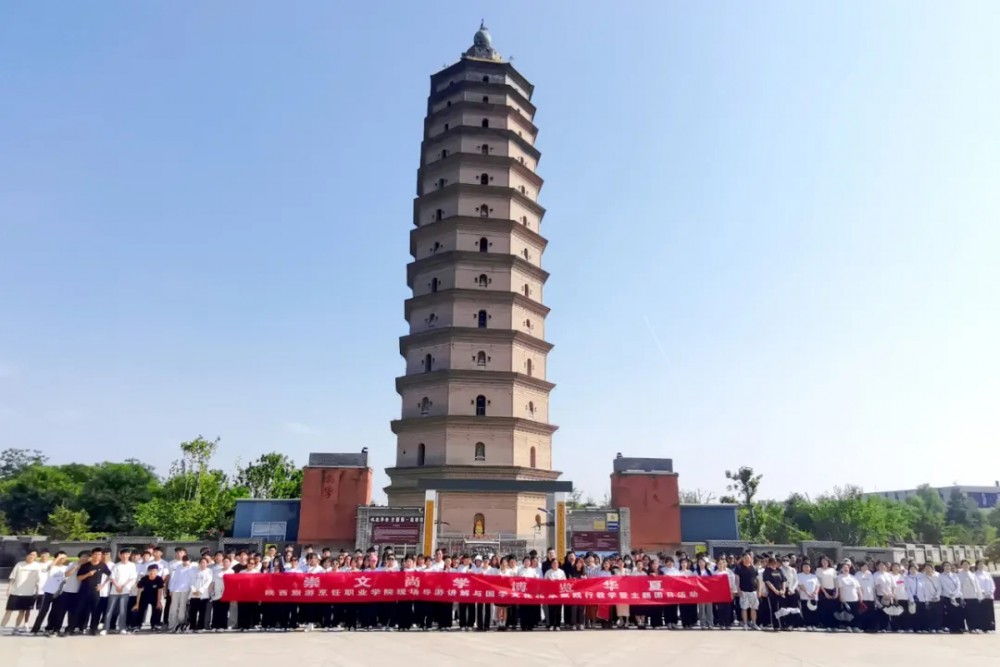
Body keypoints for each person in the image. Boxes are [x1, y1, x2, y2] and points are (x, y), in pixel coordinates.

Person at [2, 548, 44, 634]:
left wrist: (37, 590)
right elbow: (12, 577)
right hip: (15, 592)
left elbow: (39, 580)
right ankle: (1, 626)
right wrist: (9, 588)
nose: (32, 556)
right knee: (9, 611)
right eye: (30, 554)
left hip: (28, 593)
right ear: (27, 555)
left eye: (34, 555)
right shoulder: (19, 564)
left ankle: (16, 628)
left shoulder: (38, 566)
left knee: (22, 612)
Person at [75, 548, 111, 635]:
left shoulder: (102, 565)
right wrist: (88, 574)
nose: (97, 556)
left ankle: (93, 628)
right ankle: (82, 627)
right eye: (95, 554)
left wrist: (102, 585)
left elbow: (110, 575)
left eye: (99, 554)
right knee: (83, 610)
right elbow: (78, 577)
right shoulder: (85, 565)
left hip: (95, 592)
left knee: (95, 611)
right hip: (84, 591)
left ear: (101, 556)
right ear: (92, 555)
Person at [31, 552, 68, 634]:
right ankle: (35, 629)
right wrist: (58, 558)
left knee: (55, 611)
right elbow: (49, 567)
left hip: (59, 593)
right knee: (43, 611)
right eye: (61, 558)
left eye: (64, 558)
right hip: (48, 591)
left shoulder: (66, 568)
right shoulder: (52, 566)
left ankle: (51, 628)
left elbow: (65, 579)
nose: (63, 559)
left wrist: (59, 591)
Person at [105, 548, 137, 634]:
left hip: (125, 590)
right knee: (109, 610)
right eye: (123, 554)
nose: (125, 556)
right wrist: (117, 586)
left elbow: (132, 578)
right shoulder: (116, 565)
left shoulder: (132, 565)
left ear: (129, 555)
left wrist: (123, 586)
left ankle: (122, 628)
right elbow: (112, 577)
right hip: (114, 590)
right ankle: (105, 628)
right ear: (120, 555)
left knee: (123, 610)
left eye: (127, 554)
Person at [133, 564, 165, 631]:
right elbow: (139, 591)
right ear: (148, 571)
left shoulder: (159, 579)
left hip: (155, 597)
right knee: (138, 608)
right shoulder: (144, 579)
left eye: (154, 571)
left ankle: (155, 625)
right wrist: (137, 603)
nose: (152, 572)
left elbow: (160, 591)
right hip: (144, 596)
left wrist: (159, 602)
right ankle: (137, 625)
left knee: (158, 608)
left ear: (157, 571)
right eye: (151, 571)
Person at [733, 552, 760, 630]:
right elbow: (737, 580)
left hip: (753, 591)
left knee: (753, 608)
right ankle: (745, 624)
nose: (747, 559)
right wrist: (738, 589)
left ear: (751, 559)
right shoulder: (739, 568)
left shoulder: (754, 568)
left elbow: (758, 580)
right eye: (745, 558)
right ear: (742, 559)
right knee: (744, 608)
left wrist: (759, 590)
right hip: (743, 591)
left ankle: (754, 623)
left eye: (748, 558)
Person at [167, 555, 194, 632]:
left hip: (186, 590)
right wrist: (171, 589)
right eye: (184, 560)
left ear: (190, 560)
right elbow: (174, 578)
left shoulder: (192, 568)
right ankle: (172, 625)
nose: (185, 562)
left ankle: (181, 625)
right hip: (176, 590)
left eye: (187, 560)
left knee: (182, 608)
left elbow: (192, 580)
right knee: (173, 607)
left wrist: (191, 591)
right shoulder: (178, 567)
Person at [956, 560, 983, 633]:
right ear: (961, 566)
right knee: (967, 613)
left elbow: (977, 586)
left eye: (967, 564)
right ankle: (967, 628)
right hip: (965, 597)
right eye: (964, 564)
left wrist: (979, 596)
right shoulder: (959, 575)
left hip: (974, 596)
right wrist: (961, 597)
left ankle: (974, 627)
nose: (966, 566)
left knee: (974, 613)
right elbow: (959, 587)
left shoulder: (973, 575)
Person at [835, 562, 862, 633]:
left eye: (847, 568)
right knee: (847, 614)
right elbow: (840, 588)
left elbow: (858, 588)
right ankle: (848, 626)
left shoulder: (853, 577)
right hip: (846, 599)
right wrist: (841, 597)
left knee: (855, 613)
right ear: (841, 569)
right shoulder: (840, 577)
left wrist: (860, 596)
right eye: (844, 568)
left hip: (855, 598)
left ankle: (855, 627)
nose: (846, 569)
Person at [761, 557, 786, 631]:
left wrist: (783, 590)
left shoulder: (779, 570)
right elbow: (767, 582)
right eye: (772, 563)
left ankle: (783, 624)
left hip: (781, 592)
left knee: (782, 609)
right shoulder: (767, 571)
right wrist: (775, 591)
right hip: (772, 593)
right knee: (775, 609)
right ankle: (776, 625)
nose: (774, 564)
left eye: (775, 563)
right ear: (769, 563)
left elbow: (784, 580)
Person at [188, 556, 213, 632]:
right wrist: (194, 590)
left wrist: (200, 591)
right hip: (194, 595)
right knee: (193, 612)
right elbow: (191, 581)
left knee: (202, 612)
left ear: (207, 564)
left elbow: (208, 582)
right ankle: (192, 627)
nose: (202, 564)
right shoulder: (195, 571)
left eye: (204, 563)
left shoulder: (209, 571)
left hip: (203, 595)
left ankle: (200, 627)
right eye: (201, 563)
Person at [939, 561, 964, 634]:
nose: (947, 567)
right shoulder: (941, 576)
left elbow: (958, 585)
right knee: (951, 613)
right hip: (948, 596)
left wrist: (955, 593)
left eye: (948, 566)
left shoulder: (954, 575)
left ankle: (959, 627)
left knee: (958, 612)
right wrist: (951, 595)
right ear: (943, 567)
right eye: (945, 566)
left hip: (957, 596)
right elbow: (944, 586)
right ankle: (952, 628)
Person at [796, 561, 820, 630]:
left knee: (814, 611)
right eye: (804, 567)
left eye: (807, 567)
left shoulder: (814, 576)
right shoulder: (799, 575)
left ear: (810, 568)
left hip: (813, 597)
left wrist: (815, 592)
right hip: (805, 596)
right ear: (802, 568)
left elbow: (818, 585)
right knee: (806, 611)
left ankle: (814, 625)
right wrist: (807, 593)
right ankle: (807, 625)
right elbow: (800, 585)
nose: (806, 568)